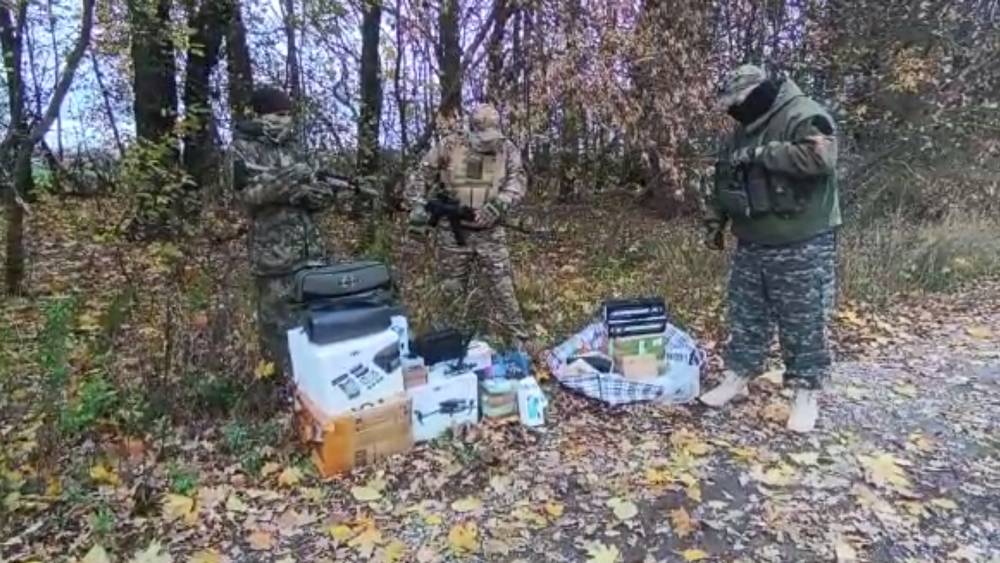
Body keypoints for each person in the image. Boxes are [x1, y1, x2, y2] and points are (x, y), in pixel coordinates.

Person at [699, 64, 841, 433]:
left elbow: (821, 159)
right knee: (746, 314)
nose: (734, 112)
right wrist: (715, 221)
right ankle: (738, 375)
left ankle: (806, 393)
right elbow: (725, 178)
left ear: (756, 95)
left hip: (802, 240)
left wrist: (763, 153)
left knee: (803, 320)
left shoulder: (803, 114)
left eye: (738, 103)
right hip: (752, 240)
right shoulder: (741, 130)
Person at [230, 86, 349, 378]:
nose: (286, 120)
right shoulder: (242, 149)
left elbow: (319, 191)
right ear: (261, 115)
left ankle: (316, 384)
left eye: (288, 114)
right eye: (279, 114)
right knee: (279, 331)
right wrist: (290, 181)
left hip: (312, 254)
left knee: (317, 324)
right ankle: (281, 386)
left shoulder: (296, 146)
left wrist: (316, 195)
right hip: (274, 257)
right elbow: (248, 196)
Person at [403, 103, 533, 351]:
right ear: (471, 130)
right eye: (482, 138)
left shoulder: (507, 149)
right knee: (450, 290)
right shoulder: (450, 145)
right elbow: (420, 175)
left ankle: (519, 341)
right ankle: (447, 343)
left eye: (491, 138)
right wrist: (418, 205)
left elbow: (517, 181)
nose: (487, 143)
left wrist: (499, 205)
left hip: (490, 232)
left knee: (503, 288)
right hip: (452, 233)